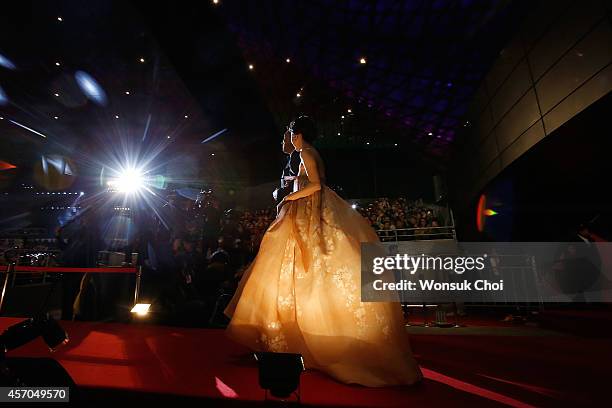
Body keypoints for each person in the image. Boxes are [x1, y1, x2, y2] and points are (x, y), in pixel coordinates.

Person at [225, 116, 422, 387]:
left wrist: (287, 197)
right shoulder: (307, 153)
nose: (288, 137)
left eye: (290, 133)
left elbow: (315, 184)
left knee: (295, 264)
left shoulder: (305, 152)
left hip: (306, 213)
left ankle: (300, 337)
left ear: (298, 134)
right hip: (306, 213)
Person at [272, 128, 301, 205]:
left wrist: (277, 193)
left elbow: (294, 183)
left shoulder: (296, 157)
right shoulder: (291, 158)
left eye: (284, 140)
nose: (282, 143)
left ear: (293, 140)